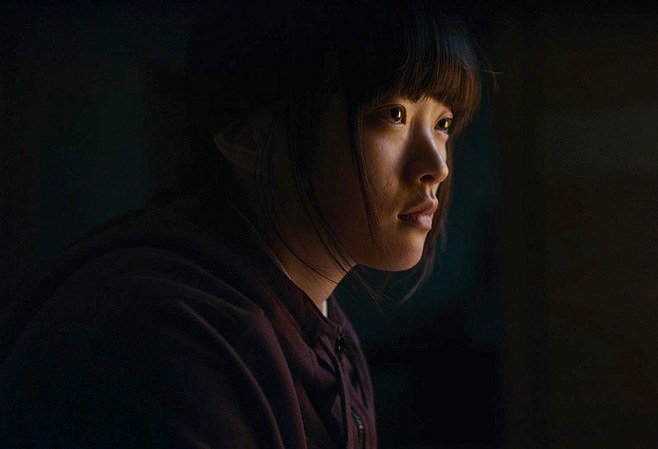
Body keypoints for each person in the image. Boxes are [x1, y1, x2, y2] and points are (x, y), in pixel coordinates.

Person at [0, 2, 486, 448]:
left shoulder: (321, 328)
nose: (437, 166)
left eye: (443, 123)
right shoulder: (174, 341)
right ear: (251, 138)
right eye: (393, 115)